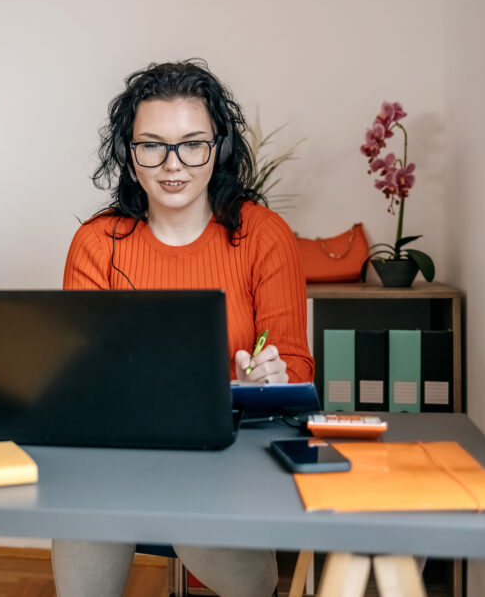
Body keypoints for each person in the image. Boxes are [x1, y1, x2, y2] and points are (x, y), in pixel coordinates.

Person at [53, 59, 314, 597]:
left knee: (252, 582)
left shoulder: (265, 237)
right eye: (152, 145)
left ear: (216, 148)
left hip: (225, 460)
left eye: (192, 143)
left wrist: (273, 375)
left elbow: (298, 367)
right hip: (117, 459)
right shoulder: (97, 244)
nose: (173, 165)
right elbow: (77, 380)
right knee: (86, 516)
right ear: (129, 152)